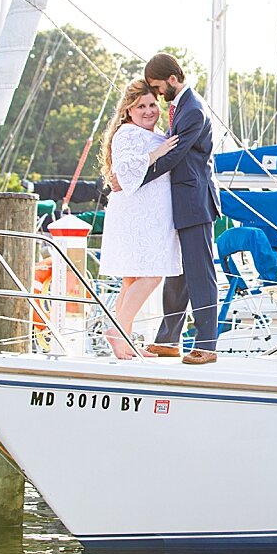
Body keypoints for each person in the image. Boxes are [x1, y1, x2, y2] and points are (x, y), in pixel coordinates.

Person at [140, 52, 223, 364]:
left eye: (158, 87)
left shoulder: (193, 111)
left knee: (200, 275)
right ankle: (168, 339)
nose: (158, 94)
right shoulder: (183, 107)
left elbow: (174, 156)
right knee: (178, 273)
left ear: (172, 79)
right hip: (183, 202)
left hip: (194, 201)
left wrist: (138, 177)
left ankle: (207, 344)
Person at [97, 78, 180, 359]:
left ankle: (123, 341)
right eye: (140, 106)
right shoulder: (129, 133)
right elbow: (124, 170)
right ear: (128, 111)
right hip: (138, 213)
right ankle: (118, 330)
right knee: (150, 275)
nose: (148, 111)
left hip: (146, 212)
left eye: (152, 104)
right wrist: (156, 153)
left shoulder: (150, 132)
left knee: (132, 279)